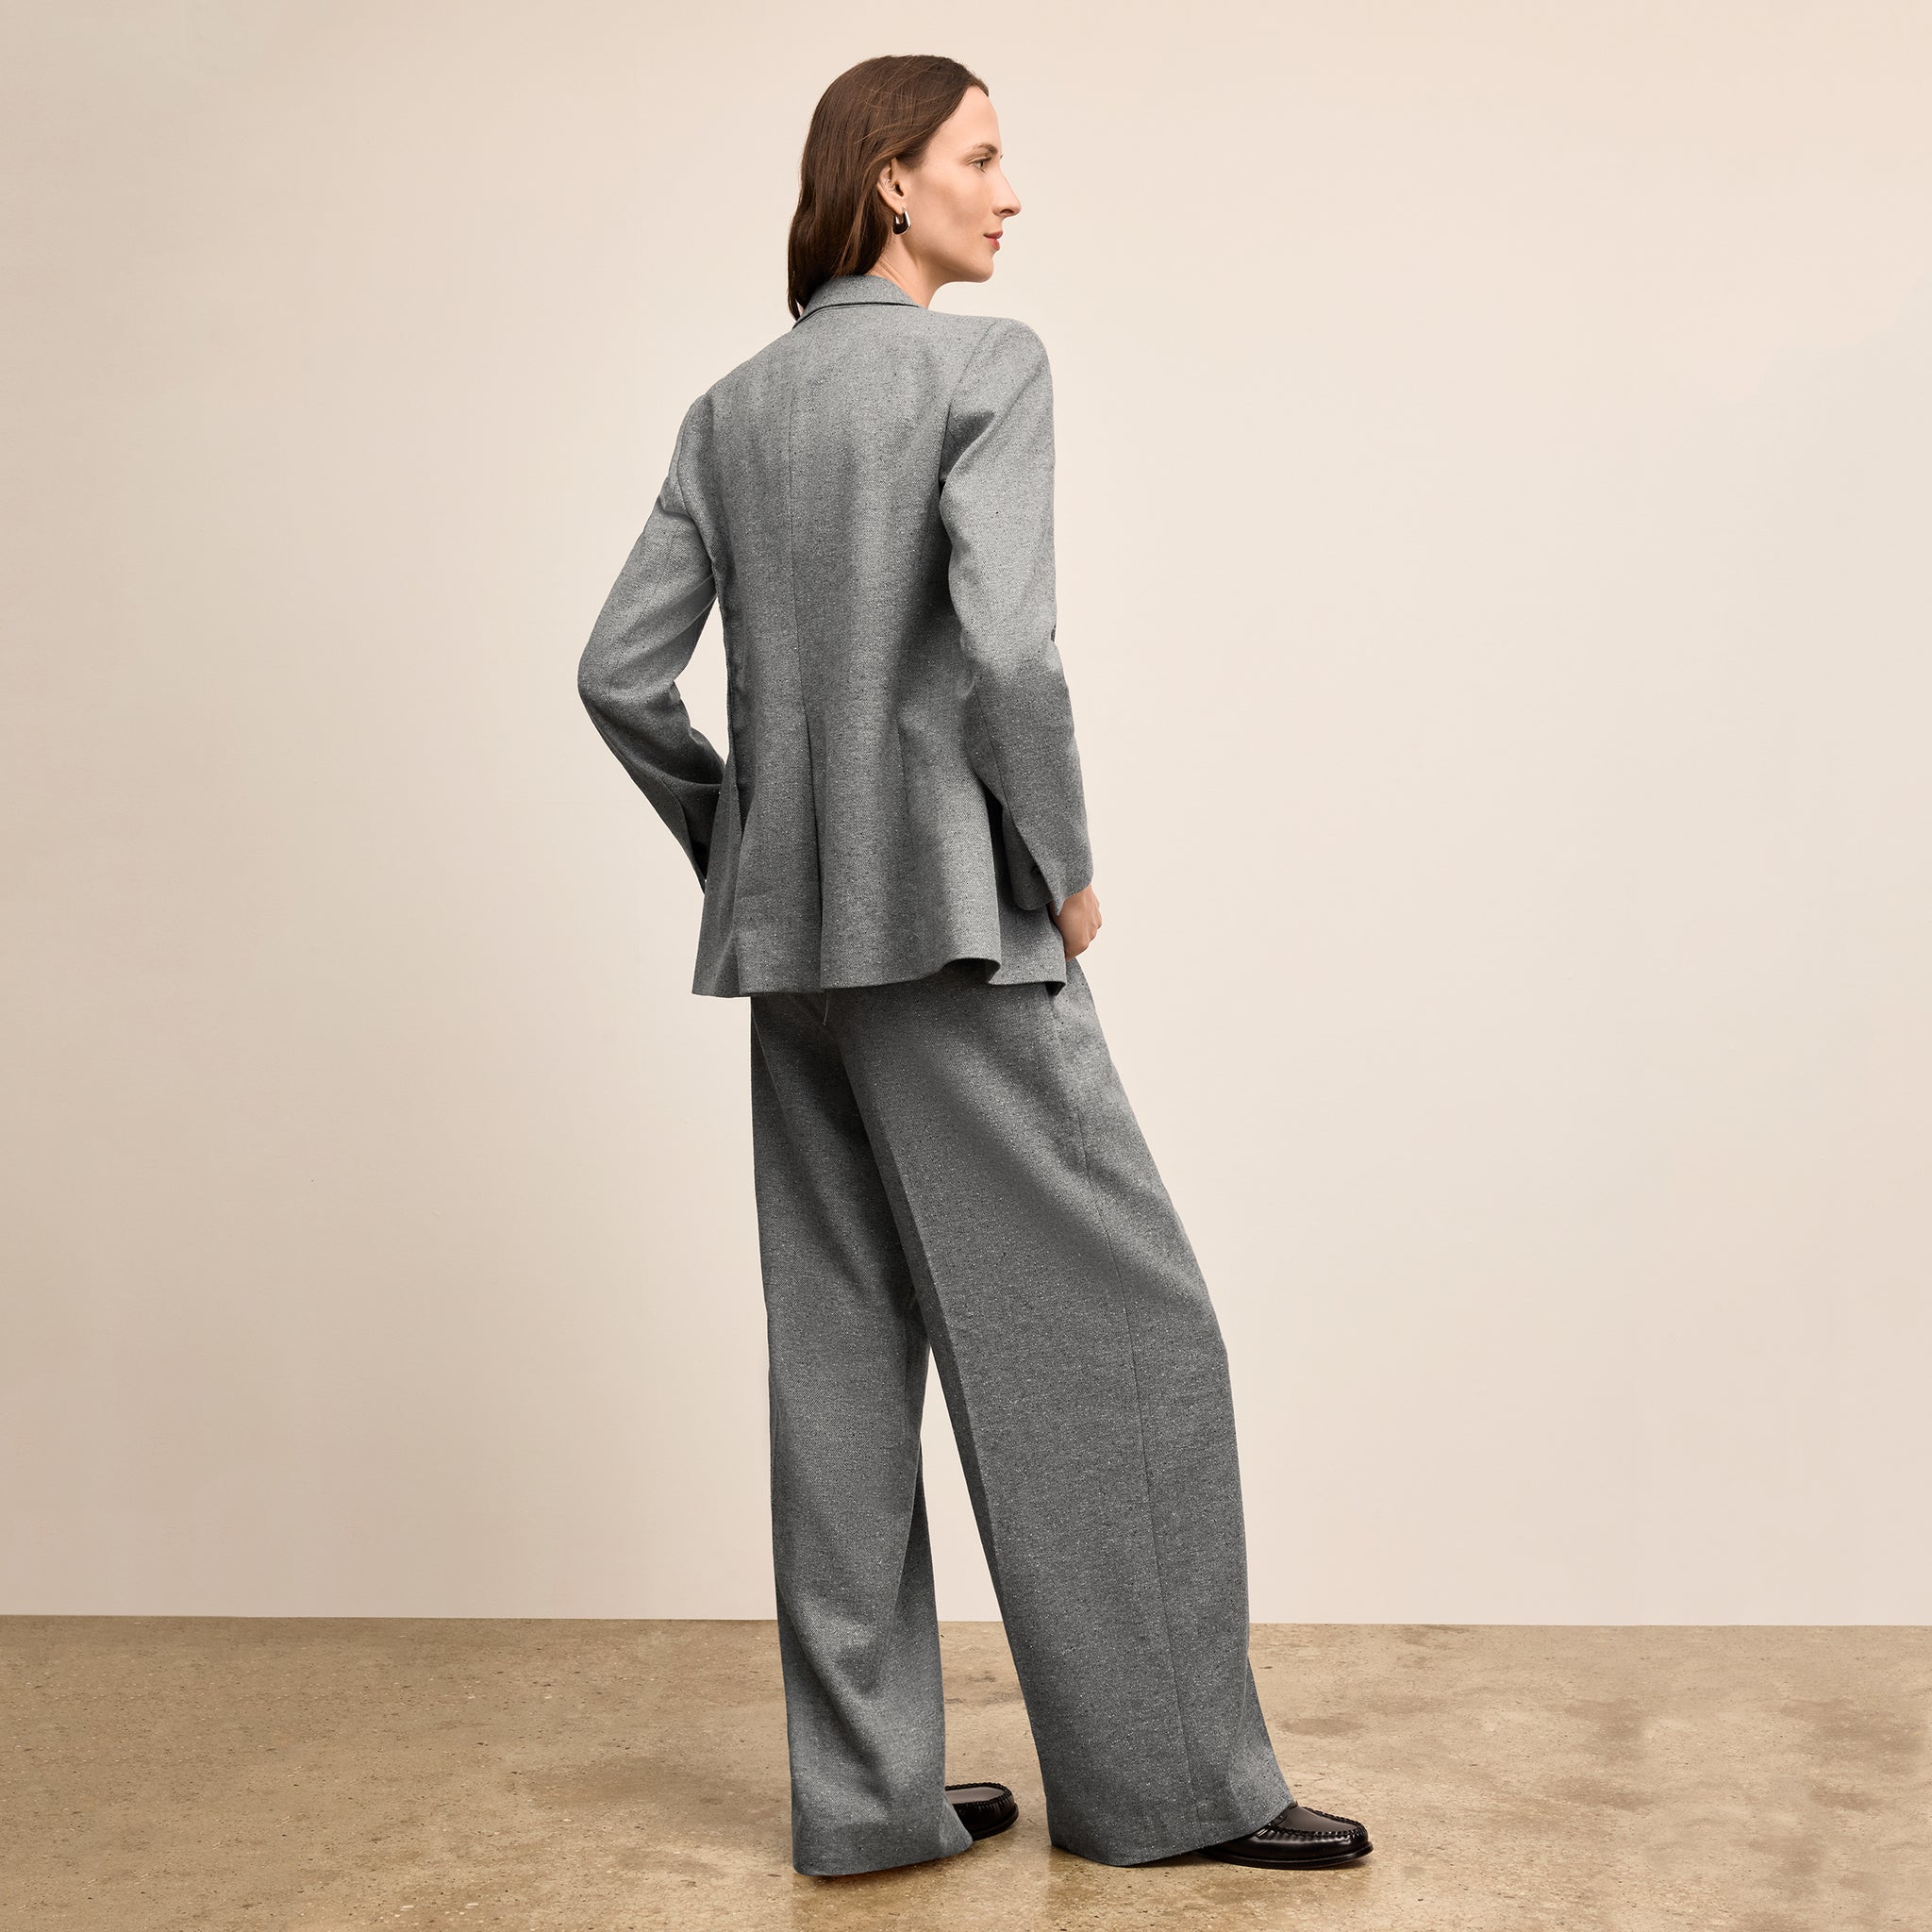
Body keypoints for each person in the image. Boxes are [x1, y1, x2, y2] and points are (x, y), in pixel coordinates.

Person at [575, 52, 1373, 1881]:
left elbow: (617, 673)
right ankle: (1172, 1787)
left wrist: (743, 849)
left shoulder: (728, 411)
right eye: (984, 159)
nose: (1010, 195)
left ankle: (863, 1806)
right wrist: (1067, 871)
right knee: (1134, 1333)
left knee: (840, 1361)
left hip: (794, 959)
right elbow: (1009, 653)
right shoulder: (983, 371)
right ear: (888, 185)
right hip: (957, 933)